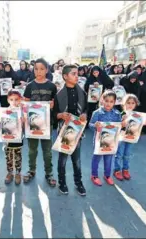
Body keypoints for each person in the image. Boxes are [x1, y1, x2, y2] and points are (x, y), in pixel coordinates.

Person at [53, 65, 87, 195]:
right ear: (65, 76)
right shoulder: (59, 95)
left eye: (77, 73)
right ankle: (62, 183)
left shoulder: (82, 93)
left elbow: (85, 109)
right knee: (62, 159)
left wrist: (84, 115)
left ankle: (79, 183)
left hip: (77, 131)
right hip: (64, 130)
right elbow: (54, 113)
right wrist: (61, 115)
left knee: (76, 159)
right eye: (73, 74)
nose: (77, 76)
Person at [23, 58, 57, 187]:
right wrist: (25, 115)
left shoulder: (52, 86)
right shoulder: (30, 86)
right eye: (36, 69)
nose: (39, 71)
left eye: (42, 69)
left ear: (47, 70)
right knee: (32, 150)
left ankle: (49, 173)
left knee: (47, 151)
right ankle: (31, 171)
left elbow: (56, 104)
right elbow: (25, 103)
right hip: (32, 124)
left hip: (47, 124)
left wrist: (53, 105)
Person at [89, 90, 122, 186]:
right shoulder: (97, 113)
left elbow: (119, 127)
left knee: (109, 158)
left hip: (111, 141)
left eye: (111, 101)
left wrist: (122, 125)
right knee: (96, 158)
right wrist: (95, 125)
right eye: (106, 101)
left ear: (114, 102)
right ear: (102, 100)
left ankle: (107, 175)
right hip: (99, 141)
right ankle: (94, 175)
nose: (108, 103)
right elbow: (90, 125)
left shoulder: (117, 114)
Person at [113, 94, 146, 181]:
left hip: (131, 137)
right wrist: (122, 121)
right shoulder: (120, 114)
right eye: (128, 103)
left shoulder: (137, 115)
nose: (130, 105)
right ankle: (117, 170)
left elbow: (140, 124)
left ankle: (125, 169)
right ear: (123, 104)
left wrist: (145, 122)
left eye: (132, 103)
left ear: (135, 104)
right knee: (119, 154)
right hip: (121, 137)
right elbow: (116, 126)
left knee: (127, 155)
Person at [3, 90, 24, 185]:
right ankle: (10, 173)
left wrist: (23, 121)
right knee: (8, 157)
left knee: (18, 156)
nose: (14, 102)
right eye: (11, 99)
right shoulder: (4, 111)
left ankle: (18, 173)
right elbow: (1, 124)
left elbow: (25, 126)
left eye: (16, 99)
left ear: (20, 100)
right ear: (8, 100)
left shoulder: (22, 111)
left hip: (18, 138)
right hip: (7, 139)